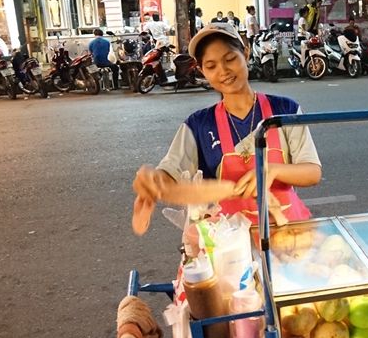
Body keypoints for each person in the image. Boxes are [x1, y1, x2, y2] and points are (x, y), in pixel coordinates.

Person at [132, 22, 322, 227]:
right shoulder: (198, 125)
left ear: (246, 53)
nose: (223, 71)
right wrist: (155, 182)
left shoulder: (285, 109)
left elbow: (312, 172)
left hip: (287, 233)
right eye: (211, 66)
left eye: (230, 59)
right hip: (229, 243)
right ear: (202, 71)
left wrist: (271, 170)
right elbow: (170, 173)